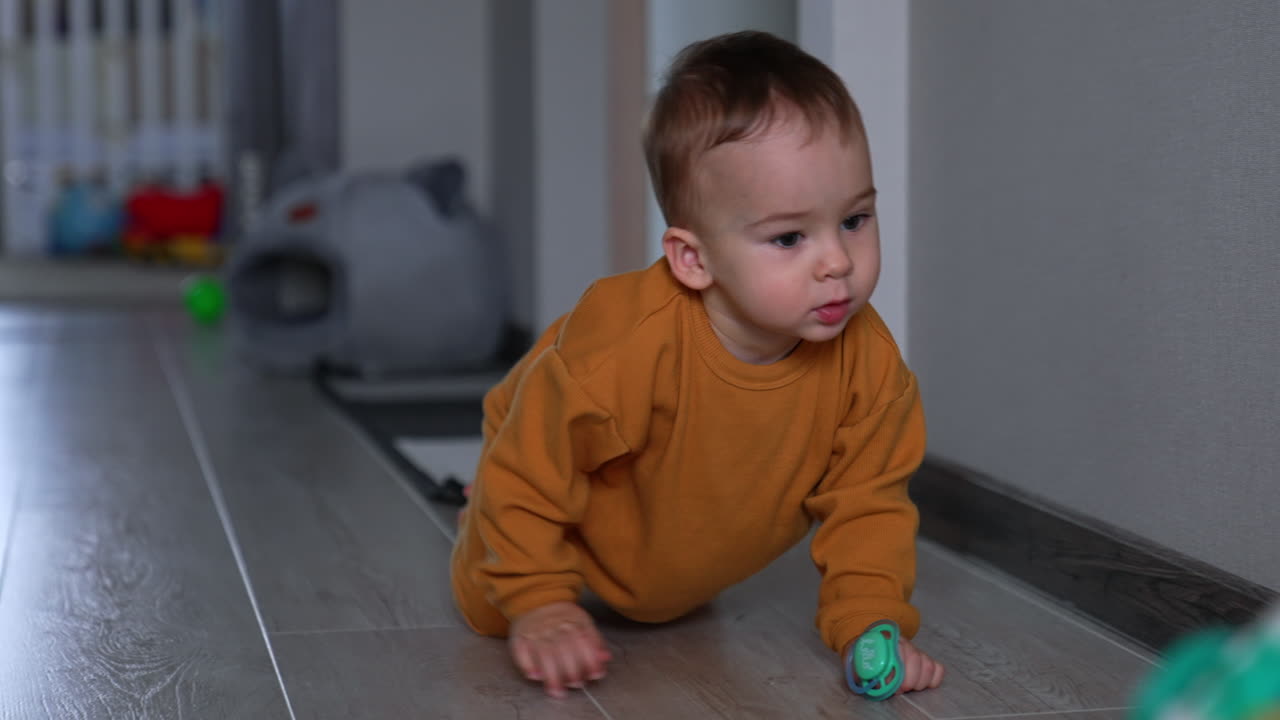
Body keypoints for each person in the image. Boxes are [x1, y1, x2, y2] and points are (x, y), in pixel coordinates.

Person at [451, 30, 945, 700]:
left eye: (855, 219)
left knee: (665, 601)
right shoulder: (626, 346)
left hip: (674, 546)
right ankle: (479, 520)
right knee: (492, 596)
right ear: (693, 259)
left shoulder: (872, 369)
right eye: (791, 237)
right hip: (558, 484)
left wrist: (870, 622)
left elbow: (871, 506)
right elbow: (533, 469)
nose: (837, 262)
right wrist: (537, 602)